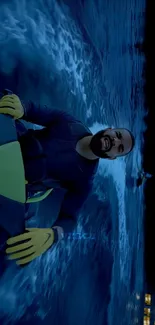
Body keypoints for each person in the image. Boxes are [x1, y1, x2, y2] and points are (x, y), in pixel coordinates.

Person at [0, 94, 135, 265]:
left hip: (14, 185)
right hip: (11, 143)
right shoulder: (69, 123)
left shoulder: (84, 180)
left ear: (113, 157)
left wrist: (51, 236)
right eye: (117, 134)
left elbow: (69, 218)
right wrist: (22, 107)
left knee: (8, 242)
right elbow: (34, 110)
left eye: (120, 147)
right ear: (109, 128)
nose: (115, 141)